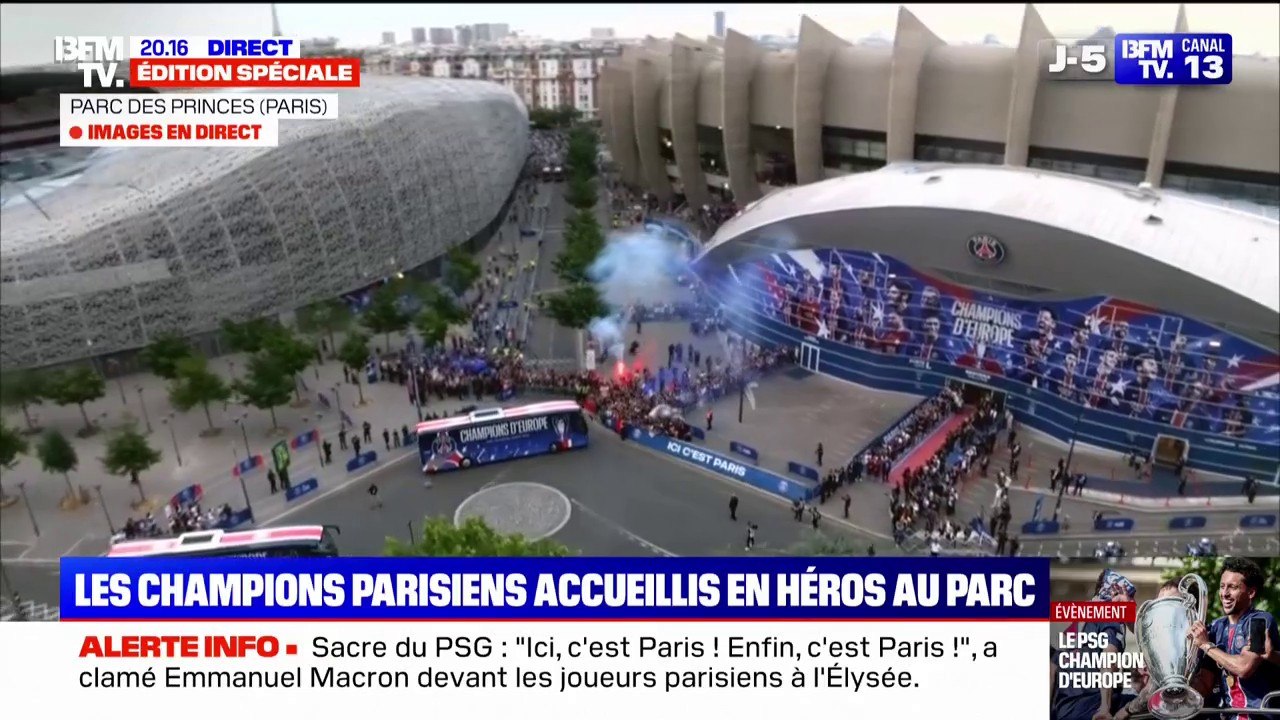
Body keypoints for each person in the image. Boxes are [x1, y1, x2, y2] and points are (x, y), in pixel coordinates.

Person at [1188, 556, 1280, 716]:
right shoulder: (1216, 627)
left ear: (1251, 592)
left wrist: (1206, 645)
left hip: (1260, 715)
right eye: (1222, 586)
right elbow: (1205, 686)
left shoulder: (1260, 622)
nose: (1224, 593)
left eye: (1232, 587)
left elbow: (1244, 668)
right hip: (1228, 715)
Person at [1114, 580, 1217, 720]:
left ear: (1192, 610)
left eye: (1170, 607)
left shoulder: (1210, 640)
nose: (1161, 615)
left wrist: (1127, 710)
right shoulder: (1169, 640)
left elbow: (1154, 688)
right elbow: (1150, 633)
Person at [1053, 569, 1138, 720]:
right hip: (1093, 707)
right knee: (1151, 704)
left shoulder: (1079, 622)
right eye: (1128, 598)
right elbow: (1109, 658)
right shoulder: (1111, 614)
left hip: (1065, 710)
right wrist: (1105, 708)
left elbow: (1053, 668)